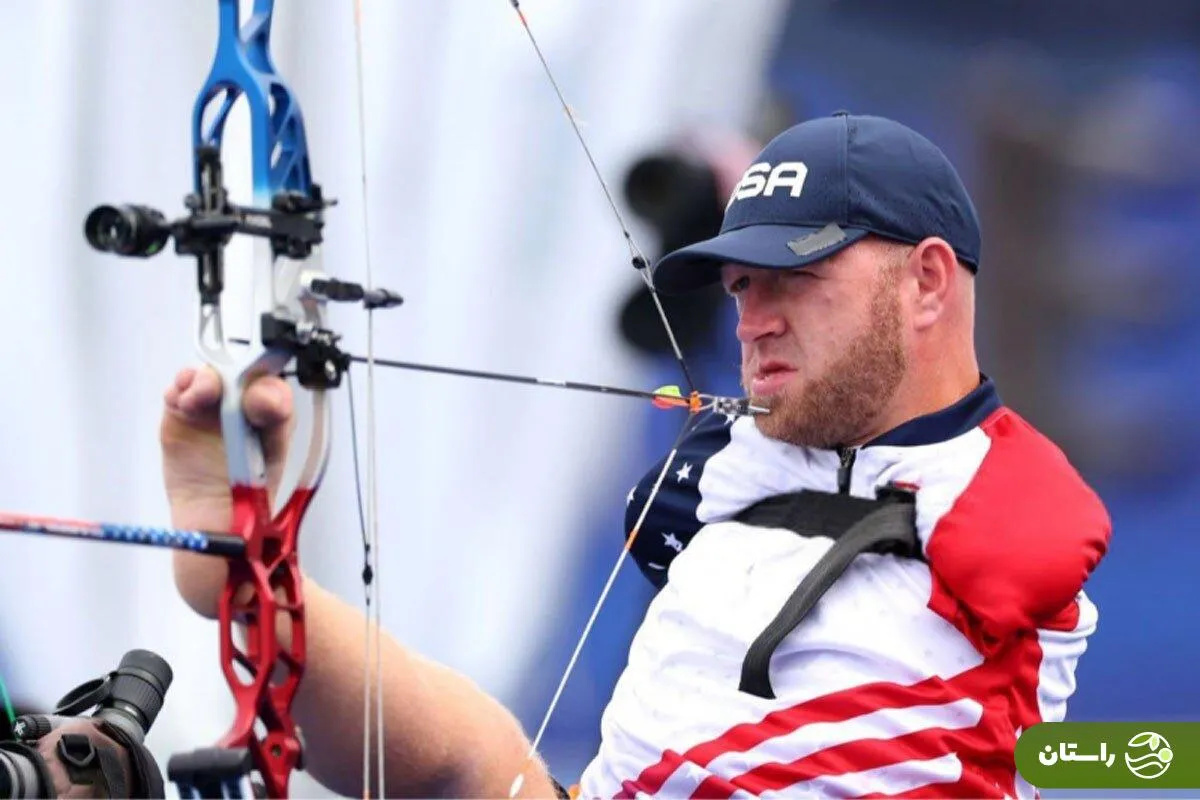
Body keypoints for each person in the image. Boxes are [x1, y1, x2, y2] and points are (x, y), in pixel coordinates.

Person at [162, 112, 1111, 798]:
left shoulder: (995, 500)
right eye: (739, 286)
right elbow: (485, 777)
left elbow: (1037, 545)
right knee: (475, 763)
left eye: (794, 278)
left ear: (929, 282)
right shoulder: (727, 484)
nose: (752, 321)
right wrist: (248, 575)